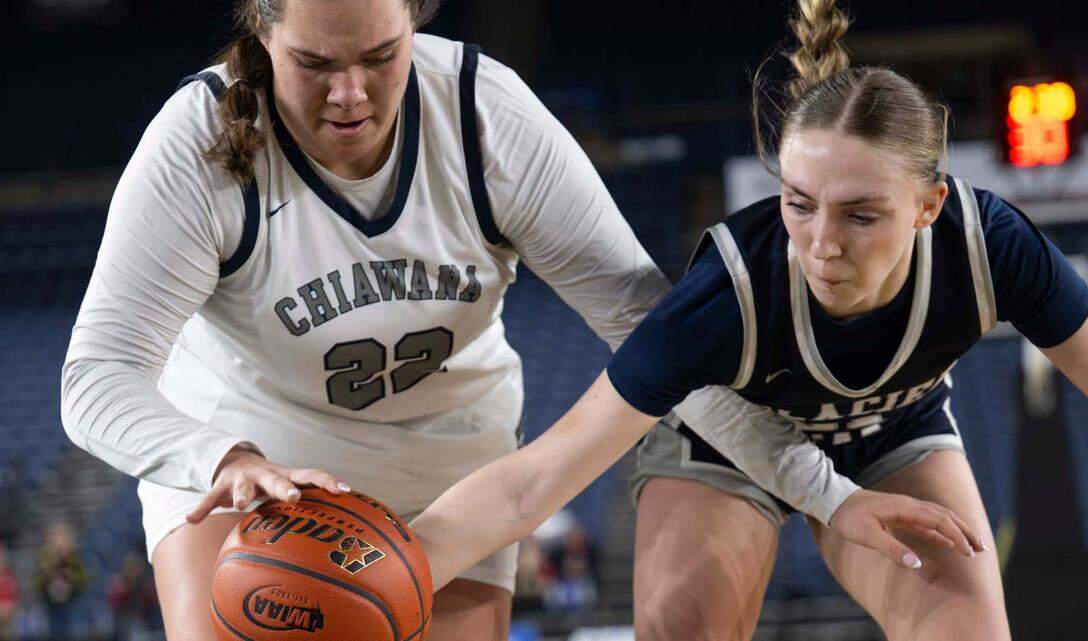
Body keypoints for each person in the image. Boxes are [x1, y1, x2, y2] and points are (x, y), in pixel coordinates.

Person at [59, 0, 975, 639]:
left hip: (450, 462)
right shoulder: (199, 141)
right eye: (314, 64)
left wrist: (830, 493)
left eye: (380, 55)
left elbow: (660, 341)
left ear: (415, 21)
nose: (350, 94)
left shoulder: (483, 116)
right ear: (261, 36)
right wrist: (226, 458)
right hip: (254, 468)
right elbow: (95, 376)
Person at [409, 1, 1088, 639]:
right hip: (722, 444)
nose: (822, 243)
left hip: (888, 434)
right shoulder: (730, 292)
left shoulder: (988, 247)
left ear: (929, 205)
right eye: (798, 202)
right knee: (686, 627)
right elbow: (530, 485)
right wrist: (386, 569)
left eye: (861, 214)